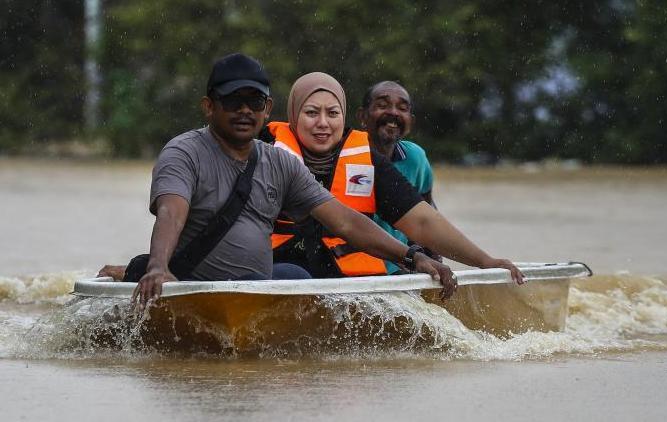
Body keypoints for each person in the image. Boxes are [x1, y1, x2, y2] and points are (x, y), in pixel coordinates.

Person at [101, 53, 457, 306]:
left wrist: (413, 257)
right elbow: (171, 212)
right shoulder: (184, 152)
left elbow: (347, 221)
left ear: (267, 109)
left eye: (254, 101)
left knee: (298, 279)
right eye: (233, 101)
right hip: (196, 282)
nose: (244, 110)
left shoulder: (279, 161)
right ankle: (135, 270)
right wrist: (159, 267)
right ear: (209, 106)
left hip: (259, 285)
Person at [263, 72, 524, 284]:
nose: (323, 123)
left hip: (347, 277)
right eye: (311, 113)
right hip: (281, 271)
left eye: (332, 114)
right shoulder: (264, 150)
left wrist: (484, 261)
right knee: (291, 275)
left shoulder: (367, 160)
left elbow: (422, 221)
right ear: (294, 116)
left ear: (344, 118)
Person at [356, 81, 439, 274]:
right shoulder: (346, 155)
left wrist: (434, 259)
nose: (393, 113)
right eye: (382, 105)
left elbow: (427, 215)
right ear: (362, 116)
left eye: (402, 108)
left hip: (398, 269)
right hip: (351, 269)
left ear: (411, 121)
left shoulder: (416, 158)